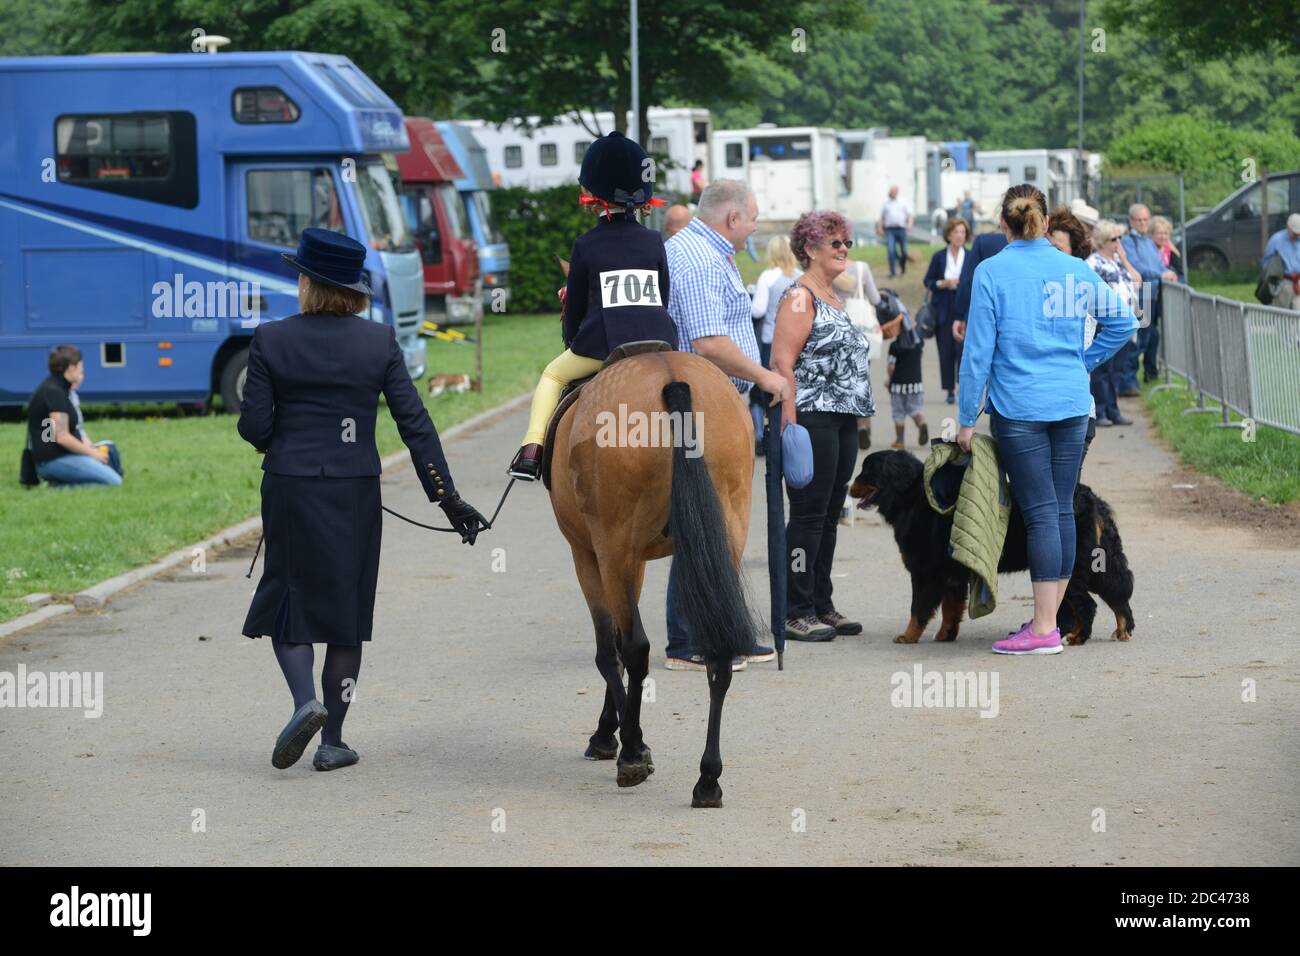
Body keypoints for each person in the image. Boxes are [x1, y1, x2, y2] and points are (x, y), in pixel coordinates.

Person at [239, 227, 489, 772]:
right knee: (347, 616)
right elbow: (415, 425)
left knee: (288, 601)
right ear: (353, 289)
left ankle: (305, 700)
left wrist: (282, 437)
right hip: (354, 491)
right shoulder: (378, 342)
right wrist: (448, 499)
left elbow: (254, 427)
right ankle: (333, 740)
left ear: (307, 282)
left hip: (291, 485)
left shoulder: (271, 338)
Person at [957, 185, 1136, 656]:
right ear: (1041, 219)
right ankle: (1049, 622)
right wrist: (1082, 361)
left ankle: (1042, 629)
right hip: (1072, 403)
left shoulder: (991, 271)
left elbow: (977, 353)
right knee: (1058, 511)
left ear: (1003, 224)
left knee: (1039, 514)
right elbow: (1124, 322)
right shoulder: (1074, 268)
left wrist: (965, 417)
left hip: (1020, 406)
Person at [662, 179, 790, 671]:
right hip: (703, 404)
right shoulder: (695, 258)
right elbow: (709, 341)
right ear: (732, 218)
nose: (756, 226)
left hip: (717, 401)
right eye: (753, 217)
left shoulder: (709, 252)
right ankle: (689, 641)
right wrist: (764, 376)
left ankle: (713, 633)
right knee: (706, 521)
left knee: (712, 523)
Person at [508, 131, 677, 481]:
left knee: (552, 375)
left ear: (593, 195)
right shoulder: (653, 241)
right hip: (659, 341)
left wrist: (572, 340)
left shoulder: (586, 245)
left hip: (605, 344)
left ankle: (531, 451)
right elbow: (663, 295)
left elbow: (574, 314)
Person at [771, 210, 874, 642]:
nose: (844, 249)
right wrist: (790, 424)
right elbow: (782, 363)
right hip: (811, 417)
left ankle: (821, 603)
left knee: (832, 514)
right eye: (835, 243)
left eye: (846, 242)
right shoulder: (800, 297)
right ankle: (795, 608)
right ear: (810, 249)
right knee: (809, 516)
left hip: (842, 418)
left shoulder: (832, 295)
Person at [25, 345, 123, 487]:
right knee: (114, 482)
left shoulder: (57, 388)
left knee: (109, 472)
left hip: (60, 455)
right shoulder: (54, 393)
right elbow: (62, 437)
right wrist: (92, 453)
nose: (82, 370)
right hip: (53, 460)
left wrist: (92, 449)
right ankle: (56, 486)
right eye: (80, 366)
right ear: (71, 368)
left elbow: (70, 430)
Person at [1047, 206, 1100, 463]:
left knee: (1064, 497)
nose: (1050, 256)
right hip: (1035, 412)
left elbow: (1124, 323)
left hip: (1074, 409)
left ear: (1074, 253)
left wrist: (1086, 362)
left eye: (1057, 250)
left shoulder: (1082, 284)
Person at [1086, 220, 1141, 427]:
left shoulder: (1117, 261)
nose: (1118, 242)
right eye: (1113, 239)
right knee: (1102, 370)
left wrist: (1125, 260)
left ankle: (1113, 409)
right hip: (1104, 322)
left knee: (1117, 369)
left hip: (1123, 322)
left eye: (1119, 237)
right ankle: (1100, 411)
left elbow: (1138, 281)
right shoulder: (1093, 263)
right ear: (1102, 241)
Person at [749, 234, 801, 448]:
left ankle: (762, 435)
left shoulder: (768, 277)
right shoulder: (801, 277)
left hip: (772, 341)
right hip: (798, 342)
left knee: (764, 390)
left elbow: (758, 310)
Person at [1120, 203, 1178, 391]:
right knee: (1138, 340)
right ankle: (1127, 382)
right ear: (1131, 221)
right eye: (1139, 220)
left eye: (1146, 219)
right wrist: (1160, 274)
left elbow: (1158, 265)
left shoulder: (1147, 242)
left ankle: (1133, 380)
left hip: (1152, 295)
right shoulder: (1129, 241)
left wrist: (1168, 272)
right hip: (1141, 295)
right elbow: (1137, 266)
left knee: (1148, 338)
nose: (1143, 223)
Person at [832, 259, 883, 450]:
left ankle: (845, 425)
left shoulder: (828, 267)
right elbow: (875, 299)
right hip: (861, 333)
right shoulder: (862, 268)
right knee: (862, 380)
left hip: (838, 330)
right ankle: (863, 425)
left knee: (841, 380)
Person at [923, 216, 969, 404]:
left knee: (963, 349)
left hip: (964, 305)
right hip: (943, 304)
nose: (959, 236)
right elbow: (928, 281)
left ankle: (962, 387)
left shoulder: (972, 255)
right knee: (945, 349)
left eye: (963, 232)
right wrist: (944, 283)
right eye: (956, 232)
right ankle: (949, 389)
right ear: (948, 235)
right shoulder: (939, 256)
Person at [952, 218, 1009, 346]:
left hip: (987, 318)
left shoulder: (984, 241)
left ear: (1002, 219)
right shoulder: (1041, 247)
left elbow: (969, 280)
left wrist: (960, 315)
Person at [1260, 212, 1300, 311]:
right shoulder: (1276, 240)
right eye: (1294, 232)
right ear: (1288, 227)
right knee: (1282, 315)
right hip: (1283, 282)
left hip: (1298, 282)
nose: (1296, 234)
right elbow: (1266, 262)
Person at [879, 185, 913, 278]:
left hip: (901, 229)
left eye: (892, 191)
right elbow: (882, 217)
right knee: (891, 250)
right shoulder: (886, 204)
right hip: (890, 230)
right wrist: (880, 228)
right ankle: (892, 271)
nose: (890, 193)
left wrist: (910, 224)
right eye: (890, 191)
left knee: (904, 251)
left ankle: (902, 267)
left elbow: (909, 215)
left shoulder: (903, 202)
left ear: (896, 192)